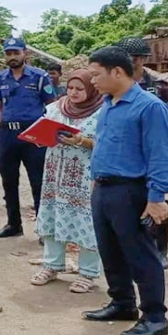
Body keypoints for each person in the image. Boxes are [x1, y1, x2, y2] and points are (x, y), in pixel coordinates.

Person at [84, 46, 168, 335]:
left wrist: (157, 197)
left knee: (140, 254)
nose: (93, 81)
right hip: (104, 188)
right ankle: (122, 303)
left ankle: (155, 316)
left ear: (117, 72)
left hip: (131, 190)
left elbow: (160, 154)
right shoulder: (108, 103)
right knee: (110, 250)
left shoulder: (149, 107)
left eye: (96, 75)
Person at [31, 70, 105, 293]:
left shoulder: (102, 112)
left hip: (84, 176)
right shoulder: (55, 108)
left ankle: (88, 273)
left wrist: (81, 140)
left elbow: (108, 143)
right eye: (70, 88)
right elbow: (42, 129)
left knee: (87, 220)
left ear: (90, 89)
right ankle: (51, 265)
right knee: (53, 216)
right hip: (56, 174)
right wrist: (39, 137)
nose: (73, 93)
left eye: (79, 89)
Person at [115, 37, 168, 269]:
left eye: (132, 58)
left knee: (157, 197)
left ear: (142, 59)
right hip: (125, 153)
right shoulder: (116, 84)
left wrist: (165, 142)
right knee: (127, 200)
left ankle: (160, 250)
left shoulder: (160, 85)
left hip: (152, 151)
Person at [0, 37, 56, 238]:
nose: (12, 57)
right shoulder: (0, 78)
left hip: (34, 133)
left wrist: (48, 134)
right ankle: (13, 224)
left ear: (25, 53)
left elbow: (51, 105)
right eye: (8, 53)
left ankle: (44, 229)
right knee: (9, 181)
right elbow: (0, 106)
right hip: (8, 133)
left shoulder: (40, 76)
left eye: (16, 53)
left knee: (38, 182)